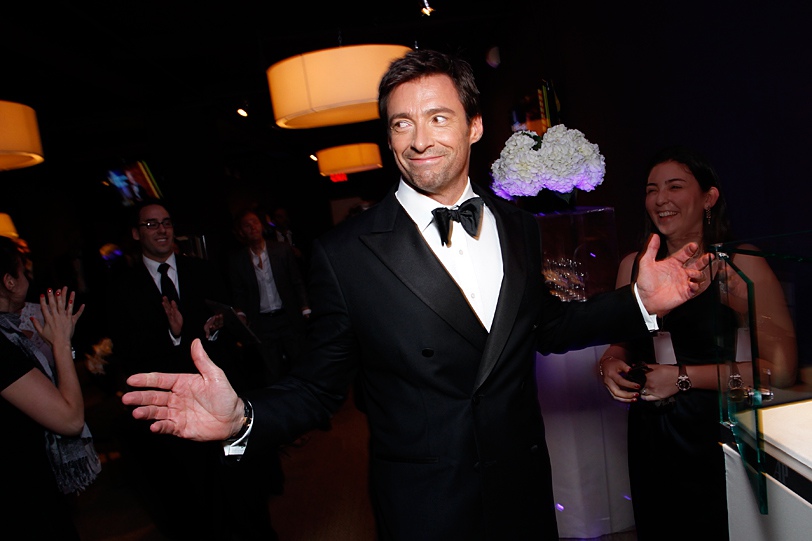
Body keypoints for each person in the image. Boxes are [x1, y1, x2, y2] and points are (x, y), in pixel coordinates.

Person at [122, 49, 712, 540]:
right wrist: (244, 418)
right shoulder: (346, 253)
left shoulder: (517, 226)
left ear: (474, 125)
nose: (418, 138)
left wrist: (637, 300)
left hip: (523, 491)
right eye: (401, 123)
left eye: (437, 117)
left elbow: (546, 325)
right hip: (427, 508)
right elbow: (318, 386)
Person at [598, 146, 797, 540]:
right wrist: (610, 361)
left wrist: (683, 378)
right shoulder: (632, 266)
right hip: (651, 431)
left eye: (675, 186)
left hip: (716, 428)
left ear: (708, 198)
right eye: (652, 189)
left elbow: (782, 370)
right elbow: (622, 342)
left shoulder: (741, 263)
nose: (660, 199)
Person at [106, 199, 279, 540]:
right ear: (135, 233)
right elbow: (126, 351)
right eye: (151, 224)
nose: (162, 229)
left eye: (166, 222)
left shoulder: (203, 271)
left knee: (238, 488)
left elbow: (224, 331)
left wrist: (221, 326)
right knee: (190, 496)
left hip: (216, 399)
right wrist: (173, 334)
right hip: (170, 409)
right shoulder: (121, 288)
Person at [0, 236, 98, 539]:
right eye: (23, 271)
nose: (29, 276)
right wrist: (61, 343)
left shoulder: (13, 329)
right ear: (9, 281)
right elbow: (69, 419)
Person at [228, 207, 310, 385]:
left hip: (287, 317)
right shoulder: (238, 260)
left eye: (255, 222)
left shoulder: (281, 250)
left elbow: (296, 280)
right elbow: (238, 292)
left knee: (300, 364)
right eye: (247, 225)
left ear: (261, 225)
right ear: (241, 231)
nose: (252, 227)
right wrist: (240, 314)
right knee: (272, 371)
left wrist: (305, 307)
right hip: (262, 323)